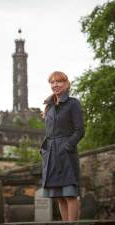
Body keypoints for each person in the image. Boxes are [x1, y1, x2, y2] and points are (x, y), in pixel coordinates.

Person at [41, 71, 85, 221]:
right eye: (52, 82)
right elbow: (48, 132)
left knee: (69, 194)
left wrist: (67, 147)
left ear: (66, 84)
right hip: (51, 154)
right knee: (59, 196)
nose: (55, 85)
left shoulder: (73, 103)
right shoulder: (49, 106)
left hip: (66, 153)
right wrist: (44, 150)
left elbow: (80, 131)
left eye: (58, 82)